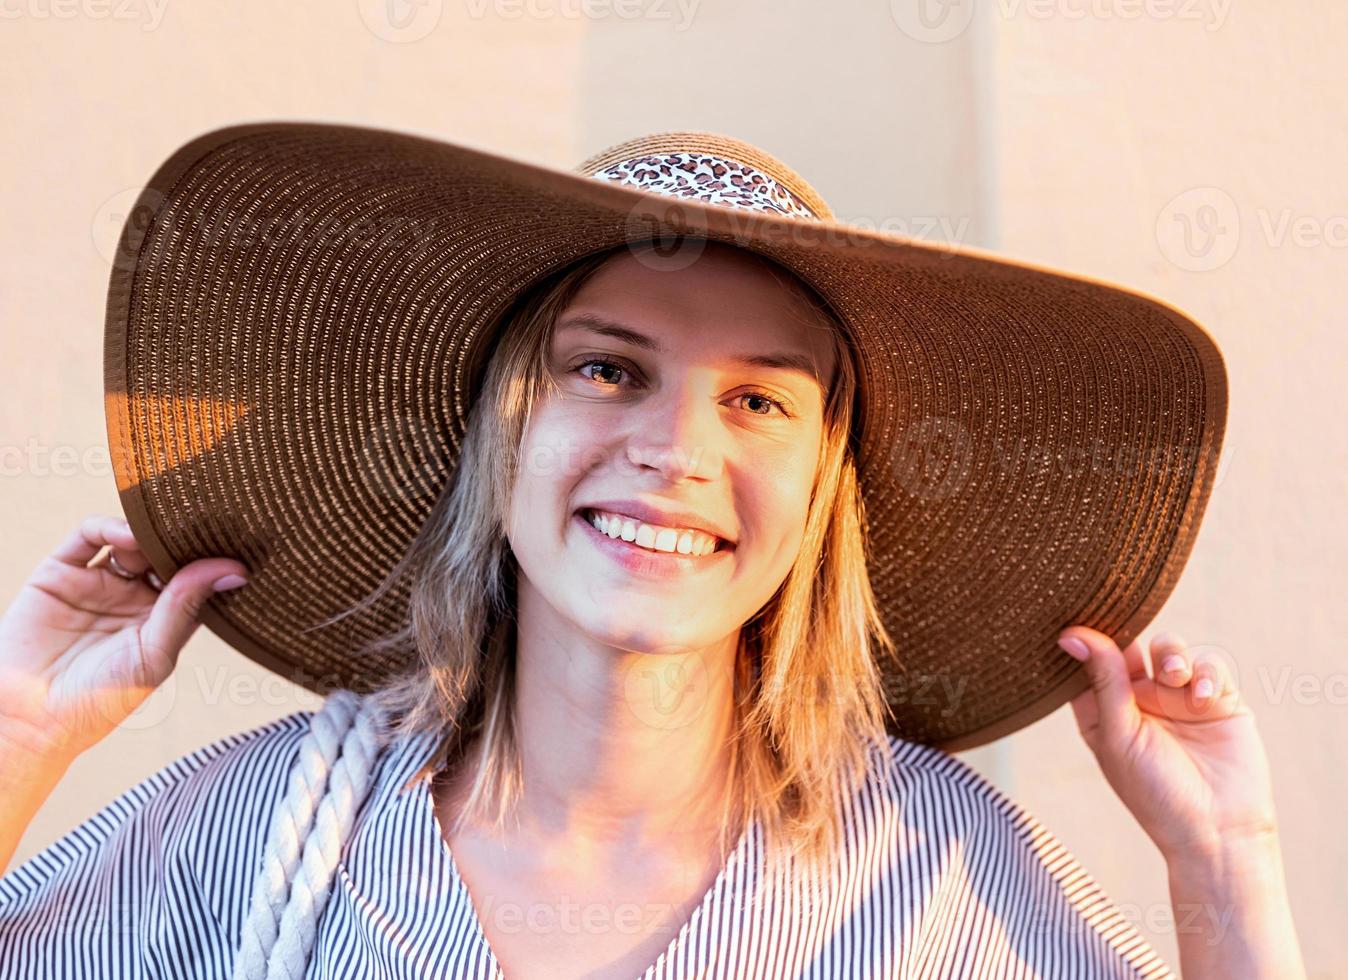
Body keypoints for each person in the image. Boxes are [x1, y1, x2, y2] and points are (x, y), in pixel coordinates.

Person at [0, 125, 1306, 979]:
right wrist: (16, 736)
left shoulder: (941, 876)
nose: (677, 449)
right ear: (497, 437)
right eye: (609, 370)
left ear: (820, 494)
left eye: (759, 400)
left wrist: (1225, 861)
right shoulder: (268, 834)